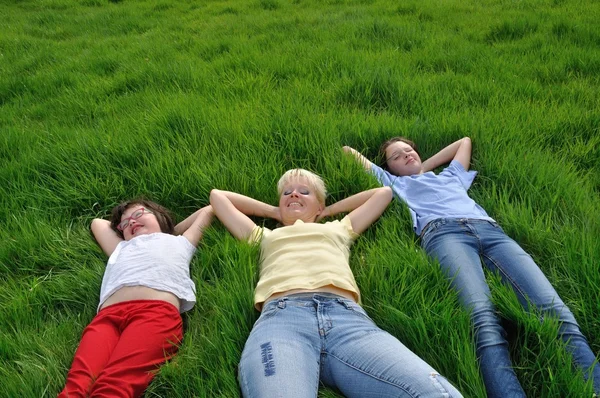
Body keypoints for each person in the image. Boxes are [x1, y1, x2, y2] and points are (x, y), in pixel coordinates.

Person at [344, 137, 600, 397]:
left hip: (492, 232)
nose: (406, 155)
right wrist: (408, 171)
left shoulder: (451, 177)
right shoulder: (395, 183)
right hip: (444, 235)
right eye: (397, 156)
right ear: (388, 168)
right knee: (482, 318)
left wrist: (424, 166)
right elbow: (348, 151)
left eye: (409, 150)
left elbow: (463, 142)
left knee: (554, 310)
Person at [209, 168, 463, 398]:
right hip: (282, 321)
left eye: (304, 192)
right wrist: (275, 212)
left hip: (348, 322)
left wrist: (327, 212)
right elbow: (218, 197)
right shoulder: (264, 236)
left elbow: (382, 193)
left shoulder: (338, 229)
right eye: (287, 192)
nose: (294, 194)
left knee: (436, 393)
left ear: (320, 205)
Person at [58, 199, 213, 398]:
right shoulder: (121, 248)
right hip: (108, 318)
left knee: (114, 385)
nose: (131, 222)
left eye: (139, 214)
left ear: (159, 215)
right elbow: (98, 223)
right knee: (78, 383)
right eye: (124, 224)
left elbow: (208, 210)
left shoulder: (180, 242)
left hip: (155, 315)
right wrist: (134, 224)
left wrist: (170, 230)